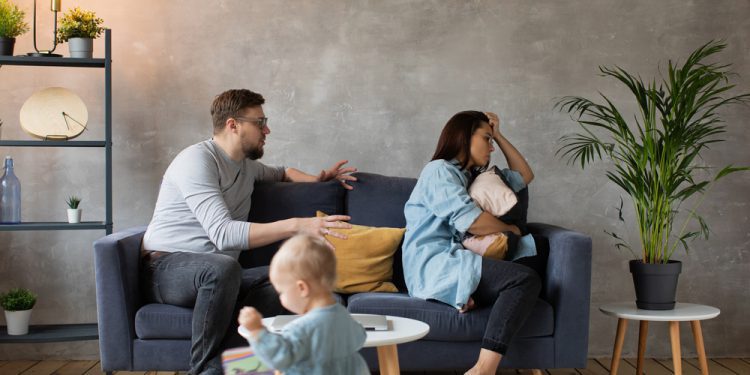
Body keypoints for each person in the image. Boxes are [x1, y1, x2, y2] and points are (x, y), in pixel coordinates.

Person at [141, 89, 357, 375]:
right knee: (221, 268)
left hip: (222, 274)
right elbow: (223, 234)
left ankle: (223, 369)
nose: (267, 129)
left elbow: (283, 171)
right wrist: (299, 225)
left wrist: (316, 181)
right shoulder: (197, 161)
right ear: (233, 125)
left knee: (294, 281)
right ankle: (203, 370)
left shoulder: (247, 168)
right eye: (260, 121)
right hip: (167, 267)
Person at [402, 111, 542, 375]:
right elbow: (472, 221)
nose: (491, 147)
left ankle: (470, 297)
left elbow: (524, 175)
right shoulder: (438, 170)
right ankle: (482, 370)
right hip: (434, 263)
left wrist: (499, 134)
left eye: (492, 140)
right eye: (486, 138)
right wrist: (509, 228)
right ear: (464, 136)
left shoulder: (473, 177)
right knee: (523, 280)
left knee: (537, 250)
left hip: (459, 257)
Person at [238, 235, 369, 375]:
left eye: (281, 292)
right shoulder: (343, 316)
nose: (281, 298)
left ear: (302, 288)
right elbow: (360, 336)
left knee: (243, 367)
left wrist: (257, 331)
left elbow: (280, 357)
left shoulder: (302, 329)